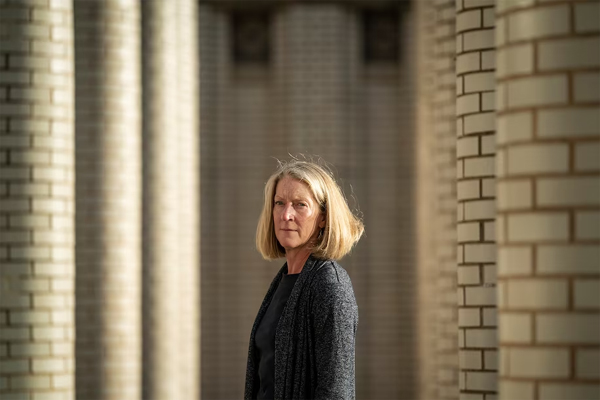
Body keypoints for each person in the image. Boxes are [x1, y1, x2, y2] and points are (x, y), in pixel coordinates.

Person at [245, 159, 364, 400]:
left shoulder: (330, 286)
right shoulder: (283, 282)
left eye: (300, 205)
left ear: (323, 217)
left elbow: (336, 392)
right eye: (279, 203)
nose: (286, 215)